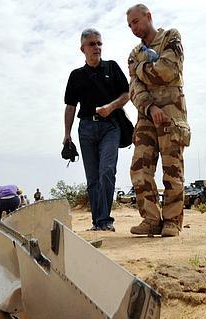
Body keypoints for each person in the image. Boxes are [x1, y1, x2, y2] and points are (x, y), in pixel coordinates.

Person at [126, 4, 191, 237]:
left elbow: (168, 70)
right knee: (139, 168)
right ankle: (151, 219)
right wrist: (151, 107)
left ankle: (172, 221)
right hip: (147, 115)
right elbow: (135, 89)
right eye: (130, 25)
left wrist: (140, 69)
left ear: (148, 16)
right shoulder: (134, 53)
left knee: (172, 168)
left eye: (136, 21)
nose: (134, 28)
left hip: (172, 113)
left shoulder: (170, 37)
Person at [63, 28, 130, 231]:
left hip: (111, 126)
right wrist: (67, 135)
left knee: (107, 170)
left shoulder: (112, 67)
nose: (97, 47)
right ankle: (98, 221)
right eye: (92, 44)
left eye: (99, 43)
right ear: (82, 48)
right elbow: (70, 106)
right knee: (92, 177)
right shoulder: (76, 75)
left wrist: (110, 107)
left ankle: (105, 220)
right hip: (85, 129)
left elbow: (127, 94)